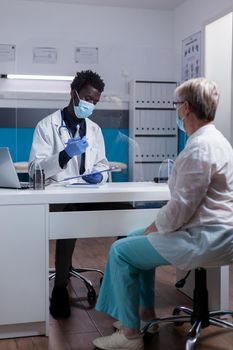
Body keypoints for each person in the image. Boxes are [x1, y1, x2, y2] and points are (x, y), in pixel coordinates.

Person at [92, 77, 233, 350]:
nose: (175, 110)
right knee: (135, 238)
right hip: (218, 234)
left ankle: (131, 335)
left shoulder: (201, 148)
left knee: (122, 251)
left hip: (204, 238)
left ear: (186, 108)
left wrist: (155, 226)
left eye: (176, 104)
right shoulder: (218, 141)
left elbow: (181, 207)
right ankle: (146, 316)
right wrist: (152, 228)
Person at [29, 70, 109, 319]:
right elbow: (34, 170)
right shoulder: (47, 126)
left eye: (95, 102)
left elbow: (104, 165)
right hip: (59, 199)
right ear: (73, 94)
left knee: (124, 206)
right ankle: (60, 288)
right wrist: (63, 156)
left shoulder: (94, 130)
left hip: (88, 195)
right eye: (87, 98)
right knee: (70, 214)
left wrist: (100, 175)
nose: (90, 105)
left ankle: (116, 283)